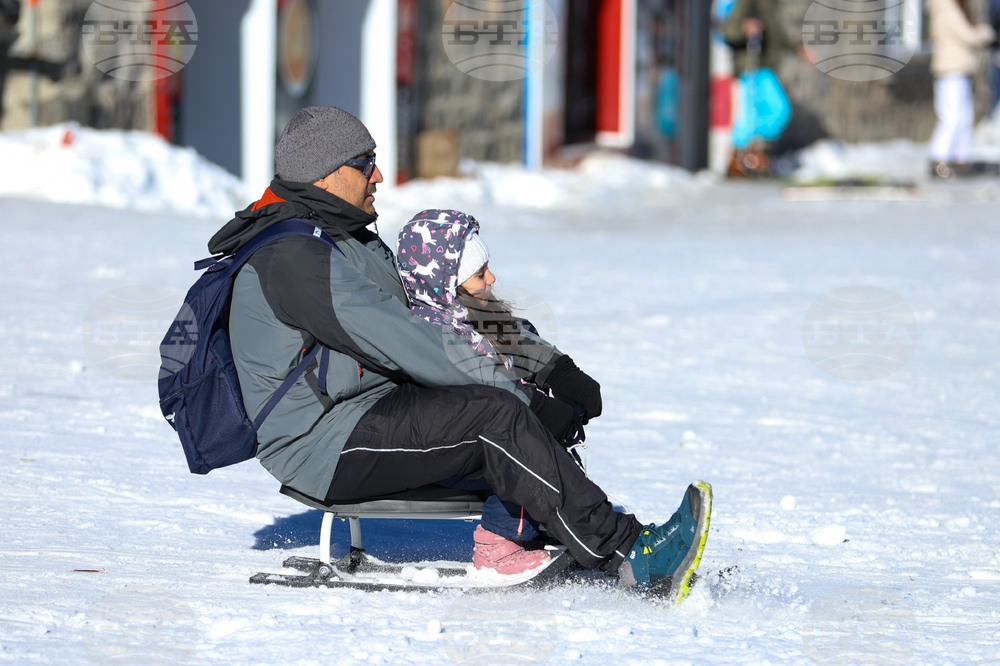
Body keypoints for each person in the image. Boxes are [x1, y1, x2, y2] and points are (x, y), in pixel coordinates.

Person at [208, 106, 710, 592]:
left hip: (366, 409)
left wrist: (551, 367)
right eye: (365, 163)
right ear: (326, 174)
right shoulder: (297, 258)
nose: (378, 174)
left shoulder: (345, 239)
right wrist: (528, 403)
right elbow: (410, 339)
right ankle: (630, 556)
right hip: (320, 442)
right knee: (495, 416)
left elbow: (448, 306)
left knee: (501, 408)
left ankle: (581, 532)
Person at [396, 209, 600, 574]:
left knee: (538, 446)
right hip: (449, 450)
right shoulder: (435, 336)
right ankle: (497, 545)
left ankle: (540, 528)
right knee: (526, 453)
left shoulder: (470, 313)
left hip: (479, 438)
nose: (492, 277)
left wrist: (563, 374)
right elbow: (490, 390)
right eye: (479, 274)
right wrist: (543, 411)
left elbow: (515, 340)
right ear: (447, 284)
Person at [721, 0, 796, 178]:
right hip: (749, 65)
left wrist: (796, 47)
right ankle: (739, 158)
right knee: (753, 114)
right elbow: (728, 30)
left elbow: (776, 34)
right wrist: (744, 28)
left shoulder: (770, 4)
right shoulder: (746, 3)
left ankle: (753, 152)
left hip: (765, 65)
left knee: (773, 112)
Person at [928, 0, 996, 178]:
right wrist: (985, 32)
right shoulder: (946, 10)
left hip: (959, 70)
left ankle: (961, 159)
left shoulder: (948, 9)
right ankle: (938, 158)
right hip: (951, 72)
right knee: (952, 117)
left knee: (964, 117)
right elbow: (968, 35)